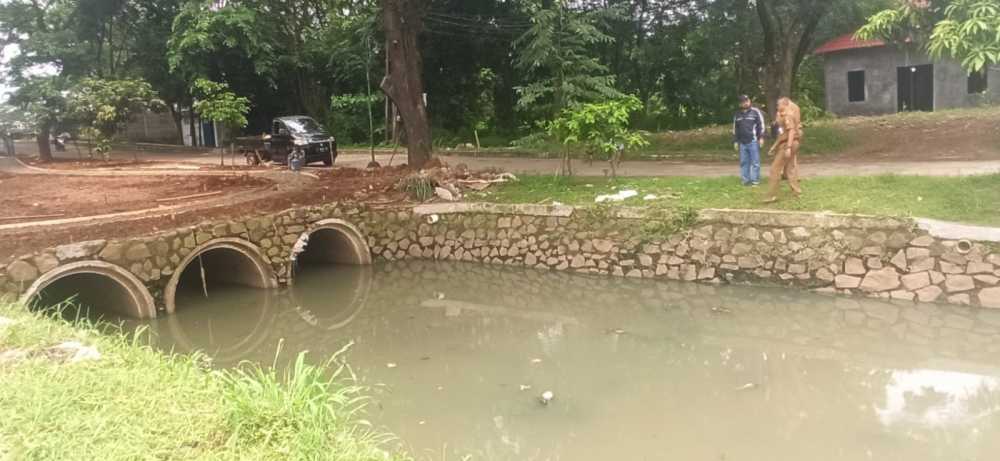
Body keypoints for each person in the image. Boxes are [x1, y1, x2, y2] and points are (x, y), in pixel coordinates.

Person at [763, 97, 803, 203]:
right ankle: (797, 191)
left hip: (788, 144)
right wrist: (774, 147)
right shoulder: (782, 115)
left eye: (778, 104)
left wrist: (788, 148)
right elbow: (782, 135)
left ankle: (771, 195)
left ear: (785, 105)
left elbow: (790, 132)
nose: (777, 106)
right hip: (789, 143)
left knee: (775, 169)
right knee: (790, 168)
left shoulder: (788, 116)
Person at [732, 95, 766, 186]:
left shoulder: (756, 112)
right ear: (740, 103)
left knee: (755, 162)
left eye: (747, 101)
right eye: (743, 102)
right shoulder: (737, 114)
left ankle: (755, 181)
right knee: (744, 162)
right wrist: (735, 141)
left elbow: (761, 126)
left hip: (753, 141)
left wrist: (761, 137)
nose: (745, 103)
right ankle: (745, 181)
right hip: (742, 143)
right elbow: (735, 129)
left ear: (749, 101)